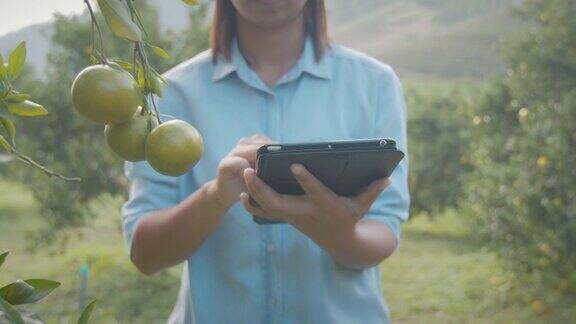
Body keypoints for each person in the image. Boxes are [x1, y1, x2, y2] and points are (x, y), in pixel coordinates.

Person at [121, 0, 410, 323]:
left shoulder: (374, 84)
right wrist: (215, 196)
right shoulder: (173, 94)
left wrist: (336, 231)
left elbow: (385, 232)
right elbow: (145, 254)